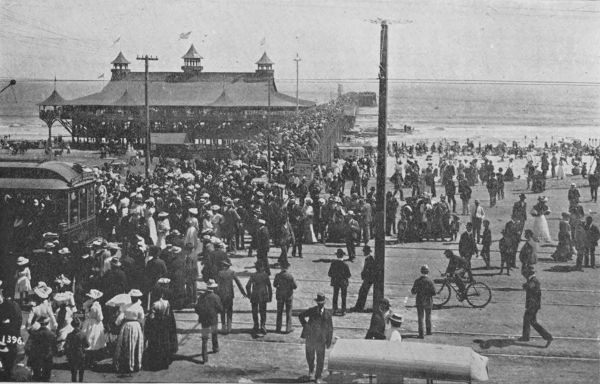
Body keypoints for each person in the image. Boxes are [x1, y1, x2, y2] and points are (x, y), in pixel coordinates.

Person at [298, 293, 334, 384]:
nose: (320, 304)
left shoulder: (327, 314)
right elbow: (301, 315)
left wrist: (329, 340)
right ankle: (311, 372)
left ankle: (318, 376)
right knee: (310, 356)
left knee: (320, 358)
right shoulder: (312, 310)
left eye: (321, 303)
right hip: (311, 337)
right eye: (319, 302)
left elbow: (330, 328)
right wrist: (306, 326)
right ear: (317, 303)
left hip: (321, 340)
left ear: (324, 303)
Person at [143, 280, 178, 371]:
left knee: (157, 342)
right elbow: (168, 313)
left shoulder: (155, 303)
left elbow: (151, 316)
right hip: (165, 322)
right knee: (165, 340)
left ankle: (156, 361)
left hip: (157, 324)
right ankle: (166, 361)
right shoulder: (167, 302)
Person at [518, 266, 553, 347]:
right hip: (533, 305)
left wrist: (525, 284)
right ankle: (526, 337)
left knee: (531, 321)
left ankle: (548, 337)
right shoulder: (533, 280)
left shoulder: (533, 281)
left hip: (532, 305)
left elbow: (527, 287)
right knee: (529, 321)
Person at [114, 289, 145, 373]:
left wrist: (116, 323)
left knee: (127, 344)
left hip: (127, 326)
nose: (133, 298)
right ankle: (133, 364)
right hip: (135, 326)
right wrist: (142, 328)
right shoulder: (139, 307)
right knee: (132, 344)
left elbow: (120, 317)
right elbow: (141, 319)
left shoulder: (126, 306)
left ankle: (128, 364)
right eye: (132, 297)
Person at [194, 279, 223, 363]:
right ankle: (215, 348)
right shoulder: (216, 297)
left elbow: (196, 308)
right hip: (213, 319)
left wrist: (201, 314)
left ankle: (204, 356)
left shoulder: (201, 297)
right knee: (214, 334)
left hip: (204, 319)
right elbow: (220, 309)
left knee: (204, 338)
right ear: (213, 288)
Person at [215, 260, 247, 334]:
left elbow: (217, 285)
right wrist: (243, 292)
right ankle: (229, 327)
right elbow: (238, 283)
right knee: (229, 311)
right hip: (229, 295)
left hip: (221, 295)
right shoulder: (232, 272)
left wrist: (216, 294)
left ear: (224, 266)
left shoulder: (219, 273)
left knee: (222, 311)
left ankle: (223, 327)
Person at [0, 282, 22, 381]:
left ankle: (8, 373)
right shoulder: (16, 305)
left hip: (6, 333)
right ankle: (10, 372)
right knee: (12, 353)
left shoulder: (5, 305)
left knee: (5, 353)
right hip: (15, 333)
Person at [25, 316, 57, 382]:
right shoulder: (52, 334)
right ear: (48, 323)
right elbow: (54, 348)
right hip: (48, 357)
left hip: (36, 358)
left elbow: (28, 346)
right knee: (46, 377)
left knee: (36, 377)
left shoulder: (34, 334)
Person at [81, 289, 106, 367]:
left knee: (88, 339)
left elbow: (84, 314)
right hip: (95, 324)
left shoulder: (86, 304)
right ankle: (92, 360)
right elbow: (100, 318)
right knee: (95, 341)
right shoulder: (97, 306)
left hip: (87, 322)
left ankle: (86, 360)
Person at [246, 262, 272, 335]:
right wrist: (270, 297)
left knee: (254, 311)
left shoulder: (253, 275)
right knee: (263, 311)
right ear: (261, 267)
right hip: (263, 295)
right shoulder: (265, 275)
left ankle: (256, 325)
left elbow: (247, 286)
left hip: (254, 295)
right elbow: (269, 286)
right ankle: (263, 325)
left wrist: (249, 295)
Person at [411, 264, 436, 338]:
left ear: (421, 271)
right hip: (428, 301)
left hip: (420, 301)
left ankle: (421, 334)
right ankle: (428, 331)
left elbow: (413, 291)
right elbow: (434, 292)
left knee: (420, 317)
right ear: (428, 272)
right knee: (428, 317)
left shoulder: (417, 281)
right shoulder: (430, 281)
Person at [273, 261, 297, 334]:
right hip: (288, 296)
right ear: (287, 267)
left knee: (279, 312)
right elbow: (295, 286)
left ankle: (278, 328)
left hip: (280, 295)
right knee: (288, 312)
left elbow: (274, 284)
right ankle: (288, 328)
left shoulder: (278, 275)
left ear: (281, 267)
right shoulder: (290, 276)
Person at [64, 318, 89, 382]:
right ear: (80, 324)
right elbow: (87, 345)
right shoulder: (83, 334)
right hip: (81, 354)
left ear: (72, 325)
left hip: (72, 354)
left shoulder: (69, 335)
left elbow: (66, 346)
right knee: (81, 371)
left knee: (73, 372)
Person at [328, 249, 351, 316]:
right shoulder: (345, 265)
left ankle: (335, 309)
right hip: (343, 282)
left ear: (337, 255)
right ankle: (343, 310)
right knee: (343, 296)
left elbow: (329, 273)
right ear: (343, 256)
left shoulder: (333, 264)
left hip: (336, 282)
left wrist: (335, 276)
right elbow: (348, 275)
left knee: (335, 295)